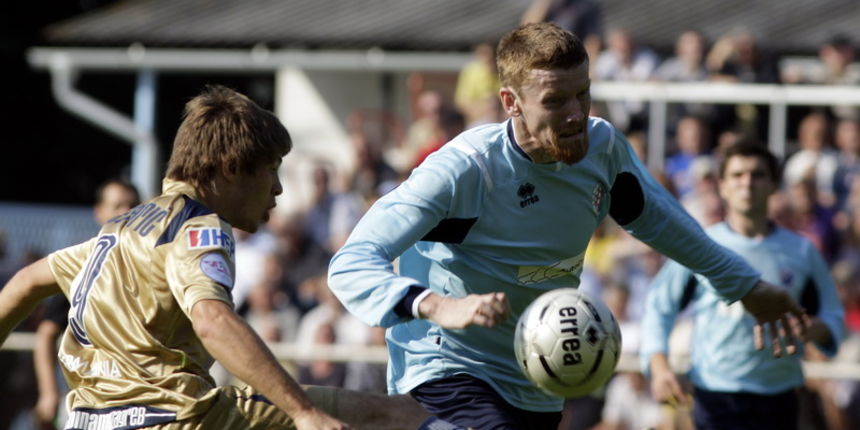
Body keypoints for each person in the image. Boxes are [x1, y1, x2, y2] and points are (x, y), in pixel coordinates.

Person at [328, 23, 807, 430]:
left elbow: (664, 223)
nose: (577, 114)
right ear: (510, 102)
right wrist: (436, 306)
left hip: (541, 378)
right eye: (556, 100)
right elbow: (350, 263)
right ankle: (310, 410)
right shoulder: (466, 171)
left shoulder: (602, 149)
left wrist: (743, 286)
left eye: (584, 93)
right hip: (446, 364)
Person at [0, 85, 430, 430]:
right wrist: (304, 414)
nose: (278, 188)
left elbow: (23, 284)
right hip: (174, 417)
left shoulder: (124, 227)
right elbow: (212, 320)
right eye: (271, 168)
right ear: (229, 168)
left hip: (88, 419)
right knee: (390, 414)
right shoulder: (199, 226)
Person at [641, 141, 846, 430]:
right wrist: (659, 366)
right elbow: (659, 304)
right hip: (716, 394)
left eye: (757, 174)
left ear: (774, 184)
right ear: (722, 186)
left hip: (780, 394)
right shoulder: (700, 245)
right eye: (737, 175)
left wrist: (813, 328)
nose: (747, 183)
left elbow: (833, 316)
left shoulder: (801, 251)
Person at [33, 178, 141, 429]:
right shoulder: (84, 267)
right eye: (117, 206)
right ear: (99, 212)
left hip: (143, 401)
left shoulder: (153, 264)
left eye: (132, 204)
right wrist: (48, 394)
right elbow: (46, 333)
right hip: (93, 405)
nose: (126, 212)